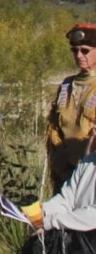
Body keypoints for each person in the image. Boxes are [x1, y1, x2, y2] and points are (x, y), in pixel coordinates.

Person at [45, 25, 96, 191]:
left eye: (85, 50)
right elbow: (54, 126)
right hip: (65, 174)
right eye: (75, 51)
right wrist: (60, 164)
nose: (79, 55)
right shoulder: (66, 85)